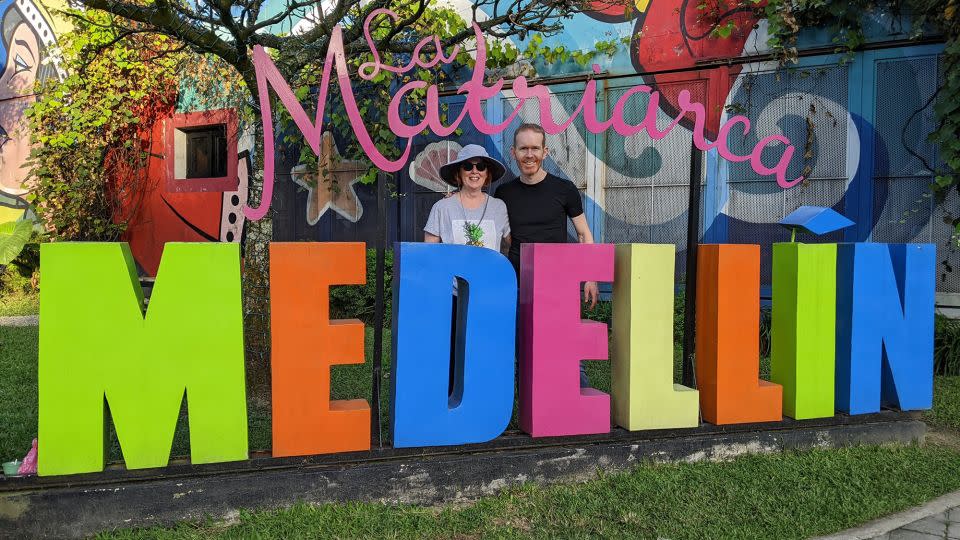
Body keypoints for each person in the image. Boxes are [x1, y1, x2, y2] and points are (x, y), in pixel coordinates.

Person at [494, 123, 600, 388]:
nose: (529, 154)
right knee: (519, 340)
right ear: (513, 152)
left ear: (545, 151)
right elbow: (496, 237)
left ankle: (579, 390)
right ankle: (524, 395)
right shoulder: (503, 193)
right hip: (517, 281)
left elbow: (584, 234)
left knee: (567, 342)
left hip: (559, 281)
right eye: (523, 149)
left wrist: (590, 276)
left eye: (534, 148)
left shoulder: (564, 189)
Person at [424, 144, 511, 398]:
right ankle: (451, 396)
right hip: (454, 294)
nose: (475, 171)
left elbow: (510, 242)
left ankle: (482, 397)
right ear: (458, 174)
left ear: (487, 174)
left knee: (485, 348)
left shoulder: (499, 207)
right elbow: (430, 250)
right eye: (468, 166)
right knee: (452, 348)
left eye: (480, 166)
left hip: (488, 294)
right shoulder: (443, 208)